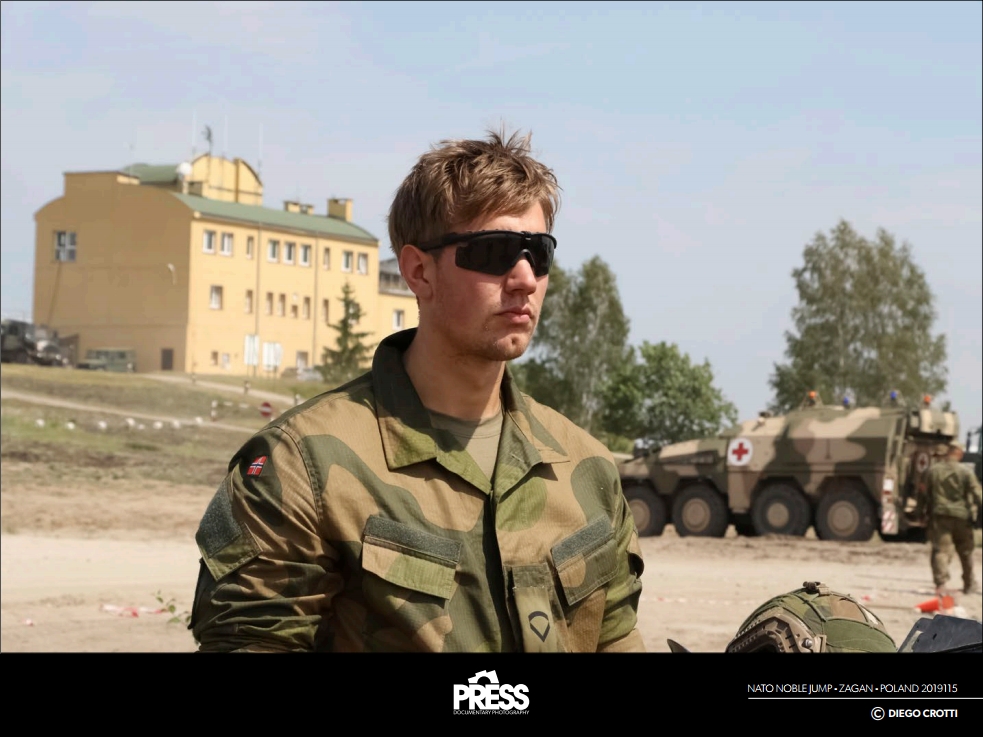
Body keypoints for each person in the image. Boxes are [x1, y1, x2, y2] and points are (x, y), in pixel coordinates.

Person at [189, 128, 646, 652]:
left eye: (538, 253)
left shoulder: (586, 468)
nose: (524, 278)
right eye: (494, 252)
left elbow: (617, 639)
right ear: (418, 271)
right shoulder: (299, 468)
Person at [925, 440, 983, 595]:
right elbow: (977, 493)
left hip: (940, 517)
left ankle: (941, 585)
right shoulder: (966, 472)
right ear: (959, 454)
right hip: (962, 517)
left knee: (941, 551)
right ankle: (969, 585)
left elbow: (925, 495)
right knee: (966, 552)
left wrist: (922, 513)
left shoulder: (933, 471)